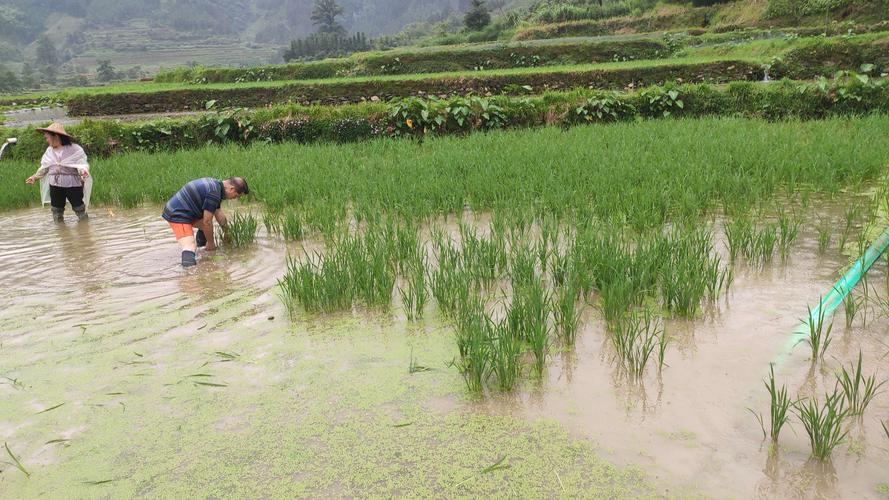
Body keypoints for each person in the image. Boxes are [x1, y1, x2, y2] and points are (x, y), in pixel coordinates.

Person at [162, 177, 249, 267]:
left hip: (185, 210)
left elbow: (218, 213)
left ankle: (202, 251)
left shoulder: (216, 186)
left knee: (206, 228)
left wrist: (227, 232)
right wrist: (211, 243)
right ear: (232, 189)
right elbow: (207, 221)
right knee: (190, 246)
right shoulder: (214, 193)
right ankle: (189, 276)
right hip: (178, 214)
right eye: (237, 196)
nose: (234, 199)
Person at [25, 123, 92, 222]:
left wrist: (83, 171)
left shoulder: (74, 149)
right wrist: (34, 177)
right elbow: (44, 167)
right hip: (55, 185)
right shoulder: (49, 151)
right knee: (56, 209)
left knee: (79, 208)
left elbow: (81, 164)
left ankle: (85, 227)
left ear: (55, 136)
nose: (46, 140)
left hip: (72, 184)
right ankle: (60, 231)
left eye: (47, 137)